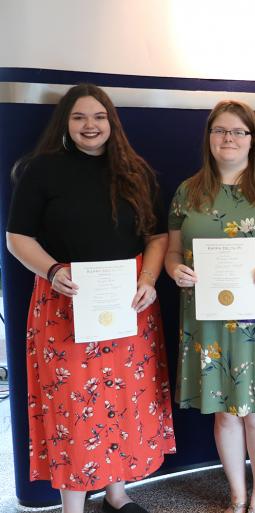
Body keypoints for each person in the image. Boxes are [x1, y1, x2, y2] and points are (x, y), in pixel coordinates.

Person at [6, 83, 176, 513]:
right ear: (66, 122)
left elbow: (157, 236)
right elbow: (16, 238)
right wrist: (52, 269)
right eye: (80, 117)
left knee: (123, 399)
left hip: (129, 304)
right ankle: (73, 506)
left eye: (99, 117)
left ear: (111, 122)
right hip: (65, 304)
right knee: (73, 409)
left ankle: (117, 494)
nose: (90, 125)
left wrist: (150, 280)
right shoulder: (41, 170)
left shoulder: (135, 171)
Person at [165, 100, 255, 513]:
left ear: (252, 140)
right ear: (209, 138)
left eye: (238, 132)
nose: (229, 139)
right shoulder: (187, 192)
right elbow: (173, 252)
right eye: (220, 131)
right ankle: (237, 495)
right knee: (225, 415)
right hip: (206, 319)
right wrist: (175, 271)